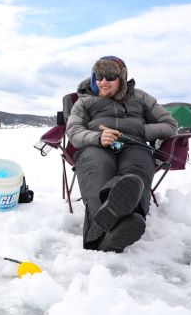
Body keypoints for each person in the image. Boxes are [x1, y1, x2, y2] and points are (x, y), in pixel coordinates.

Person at [66, 56, 177, 253]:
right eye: (99, 76)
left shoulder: (140, 97)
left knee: (136, 170)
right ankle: (104, 231)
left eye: (110, 76)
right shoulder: (84, 101)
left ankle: (116, 225)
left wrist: (140, 131)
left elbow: (170, 125)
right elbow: (74, 131)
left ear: (122, 79)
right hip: (96, 146)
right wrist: (97, 137)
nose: (103, 81)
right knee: (97, 166)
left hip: (134, 145)